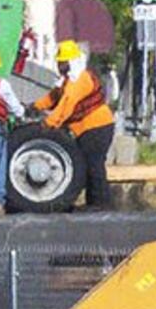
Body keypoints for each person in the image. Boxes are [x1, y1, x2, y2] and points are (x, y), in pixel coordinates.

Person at [43, 39, 117, 210]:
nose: (60, 66)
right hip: (86, 129)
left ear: (71, 62)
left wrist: (49, 123)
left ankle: (100, 203)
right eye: (59, 62)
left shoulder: (80, 80)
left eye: (62, 62)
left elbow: (66, 105)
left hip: (97, 127)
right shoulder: (67, 81)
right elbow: (53, 98)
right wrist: (35, 106)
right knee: (87, 163)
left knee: (94, 163)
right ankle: (94, 202)